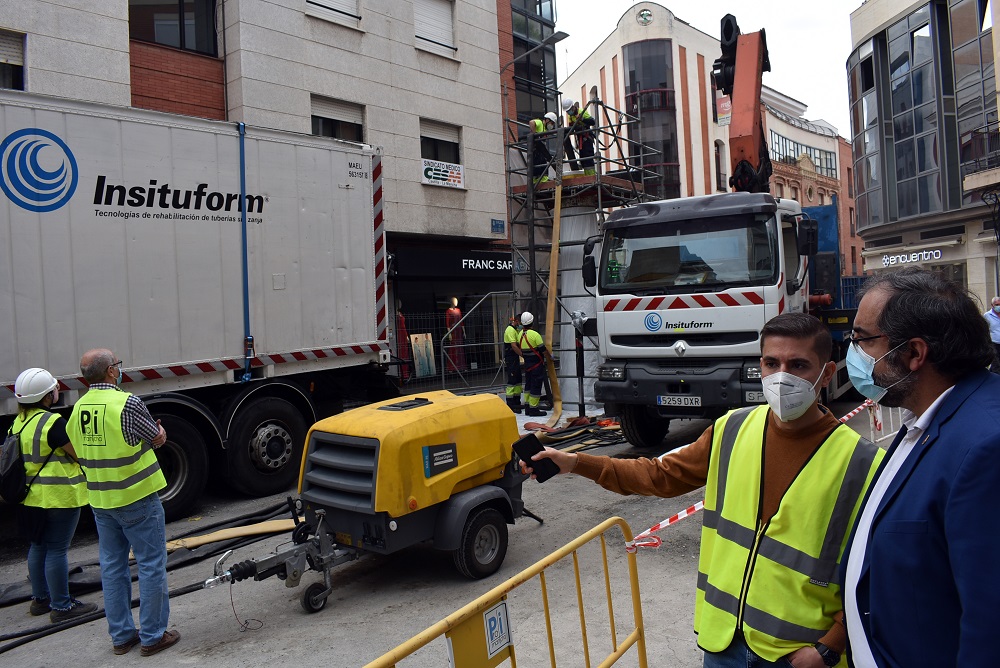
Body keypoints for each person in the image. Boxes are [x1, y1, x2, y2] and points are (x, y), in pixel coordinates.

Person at [522, 313, 884, 668]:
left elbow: (879, 573)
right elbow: (658, 476)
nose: (781, 376)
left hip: (796, 654)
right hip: (722, 642)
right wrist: (574, 463)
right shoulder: (731, 429)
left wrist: (830, 646)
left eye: (799, 365)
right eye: (771, 363)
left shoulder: (862, 463)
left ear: (827, 374)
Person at [840, 268, 1000, 667]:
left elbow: (990, 625)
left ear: (913, 353)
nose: (852, 352)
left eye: (861, 339)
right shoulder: (925, 420)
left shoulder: (986, 445)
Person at [66, 350, 179, 657]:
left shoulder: (78, 409)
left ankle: (121, 636)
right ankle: (154, 636)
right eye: (117, 365)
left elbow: (77, 447)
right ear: (111, 372)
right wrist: (159, 433)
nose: (119, 369)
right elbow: (155, 437)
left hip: (101, 501)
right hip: (137, 498)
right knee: (151, 565)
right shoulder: (125, 403)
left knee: (113, 568)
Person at [11, 368, 96, 623]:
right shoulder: (52, 422)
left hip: (30, 498)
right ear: (47, 395)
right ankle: (62, 606)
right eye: (54, 388)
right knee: (57, 549)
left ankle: (40, 600)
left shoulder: (18, 422)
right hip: (59, 496)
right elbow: (77, 453)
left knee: (38, 546)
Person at [518, 312, 553, 417]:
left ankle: (528, 408)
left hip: (527, 365)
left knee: (528, 386)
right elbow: (543, 350)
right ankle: (534, 409)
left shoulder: (520, 335)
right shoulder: (535, 335)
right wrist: (550, 357)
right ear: (532, 322)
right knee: (536, 387)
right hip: (536, 366)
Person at [562, 99, 597, 176]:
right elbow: (571, 127)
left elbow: (592, 122)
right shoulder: (570, 116)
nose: (569, 113)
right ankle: (587, 176)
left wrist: (582, 119)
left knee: (588, 158)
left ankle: (591, 176)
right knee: (583, 159)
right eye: (567, 111)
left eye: (569, 110)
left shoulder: (582, 112)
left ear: (573, 107)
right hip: (580, 140)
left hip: (587, 138)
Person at [529, 112, 558, 184]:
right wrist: (534, 133)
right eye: (552, 123)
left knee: (543, 163)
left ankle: (543, 180)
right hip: (536, 150)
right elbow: (531, 122)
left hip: (541, 149)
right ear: (547, 120)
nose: (552, 125)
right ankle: (537, 181)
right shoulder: (540, 123)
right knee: (538, 164)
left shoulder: (545, 130)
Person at [503, 313, 523, 413]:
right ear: (516, 321)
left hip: (514, 357)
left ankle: (517, 402)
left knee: (518, 380)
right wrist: (523, 355)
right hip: (511, 358)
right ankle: (511, 404)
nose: (521, 325)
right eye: (520, 323)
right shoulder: (510, 330)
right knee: (512, 381)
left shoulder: (515, 329)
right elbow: (514, 346)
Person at [445, 297, 466, 371]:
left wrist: (464, 331)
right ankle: (452, 367)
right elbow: (447, 323)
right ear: (452, 302)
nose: (456, 302)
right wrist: (449, 333)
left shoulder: (458, 310)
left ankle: (461, 366)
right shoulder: (448, 311)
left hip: (459, 331)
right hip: (453, 331)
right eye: (455, 301)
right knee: (453, 348)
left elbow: (461, 321)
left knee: (460, 348)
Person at [985, 295, 1000, 373]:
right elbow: (985, 330)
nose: (998, 306)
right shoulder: (987, 316)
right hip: (994, 343)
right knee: (996, 364)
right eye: (996, 305)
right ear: (992, 305)